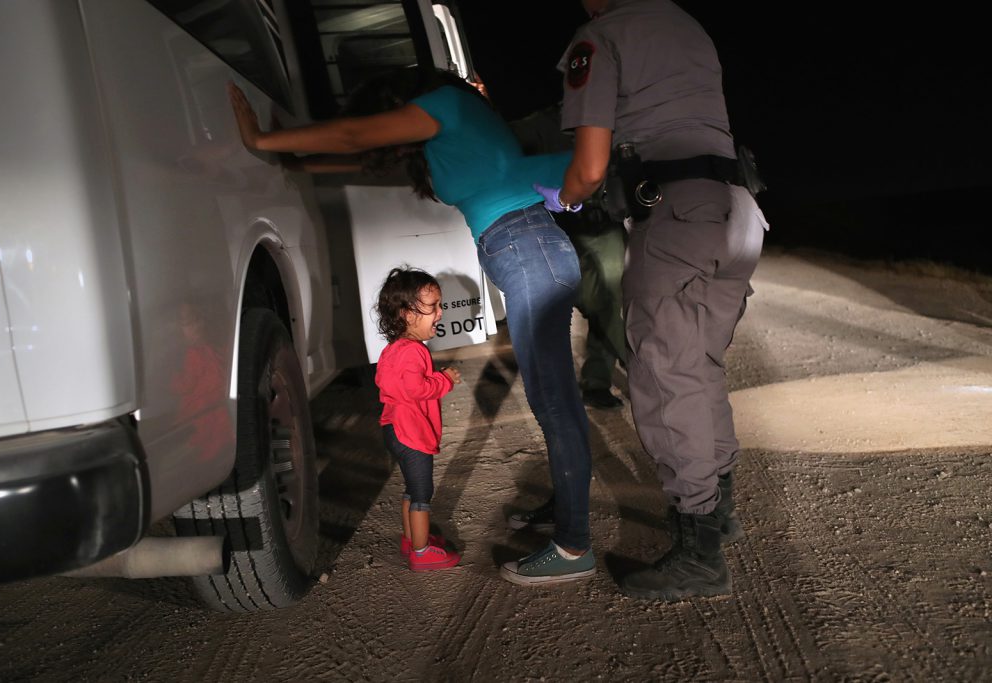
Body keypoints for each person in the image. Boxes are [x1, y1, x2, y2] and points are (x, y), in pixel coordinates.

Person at [228, 67, 596, 585]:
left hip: (528, 245)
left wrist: (262, 137)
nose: (389, 125)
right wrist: (289, 156)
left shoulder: (447, 103)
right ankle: (568, 510)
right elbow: (360, 154)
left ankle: (575, 543)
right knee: (551, 397)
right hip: (519, 248)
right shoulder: (446, 135)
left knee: (554, 399)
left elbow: (358, 135)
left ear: (399, 99)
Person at [541, 0, 770, 601]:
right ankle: (719, 515)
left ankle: (699, 554)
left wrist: (560, 202)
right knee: (701, 368)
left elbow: (589, 168)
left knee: (666, 377)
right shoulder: (685, 22)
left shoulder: (598, 36)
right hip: (739, 209)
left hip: (677, 212)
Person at [510, 105, 628, 411]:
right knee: (591, 301)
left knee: (611, 301)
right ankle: (642, 366)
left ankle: (598, 381)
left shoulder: (608, 117)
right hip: (559, 224)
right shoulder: (537, 124)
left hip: (605, 222)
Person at [373, 266, 462, 571]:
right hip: (412, 434)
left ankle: (412, 540)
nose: (440, 313)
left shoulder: (392, 350)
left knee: (411, 489)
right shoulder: (414, 352)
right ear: (409, 314)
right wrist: (444, 380)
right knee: (422, 493)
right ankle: (422, 552)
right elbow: (416, 389)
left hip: (393, 429)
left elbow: (388, 385)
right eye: (433, 307)